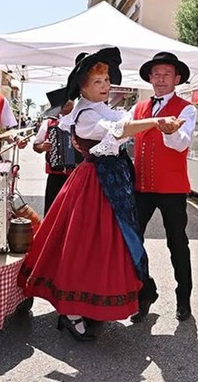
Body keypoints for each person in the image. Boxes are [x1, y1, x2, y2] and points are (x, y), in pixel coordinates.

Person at [18, 47, 185, 341]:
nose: (106, 85)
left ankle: (109, 300)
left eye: (107, 79)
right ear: (83, 87)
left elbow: (122, 123)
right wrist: (157, 123)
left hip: (115, 183)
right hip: (95, 185)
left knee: (114, 245)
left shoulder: (103, 108)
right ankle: (72, 311)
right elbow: (120, 130)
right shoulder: (84, 115)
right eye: (98, 82)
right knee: (88, 247)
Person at [130, 51, 197, 323]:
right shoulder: (138, 108)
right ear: (150, 77)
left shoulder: (187, 108)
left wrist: (170, 132)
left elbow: (182, 142)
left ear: (177, 78)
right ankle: (144, 292)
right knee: (132, 242)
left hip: (172, 188)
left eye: (166, 74)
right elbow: (121, 131)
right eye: (156, 74)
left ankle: (184, 299)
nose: (160, 78)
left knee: (177, 243)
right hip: (141, 185)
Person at [33, 86, 77, 215]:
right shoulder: (49, 123)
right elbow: (36, 146)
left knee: (72, 211)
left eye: (70, 102)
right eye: (65, 103)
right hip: (55, 174)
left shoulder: (81, 121)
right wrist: (42, 147)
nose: (69, 106)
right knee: (52, 210)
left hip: (76, 173)